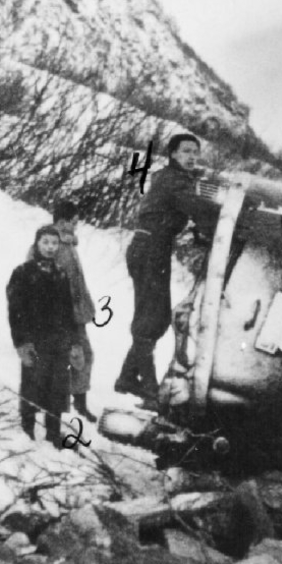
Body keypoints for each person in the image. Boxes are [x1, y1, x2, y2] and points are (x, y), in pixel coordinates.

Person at [115, 133, 206, 403]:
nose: (192, 157)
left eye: (196, 152)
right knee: (151, 317)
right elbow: (197, 206)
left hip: (155, 247)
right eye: (186, 151)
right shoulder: (175, 180)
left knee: (155, 316)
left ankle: (128, 377)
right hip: (150, 247)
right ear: (173, 154)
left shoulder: (173, 178)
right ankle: (148, 387)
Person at [7, 226, 84, 445]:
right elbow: (15, 312)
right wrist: (21, 343)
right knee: (32, 384)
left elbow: (69, 312)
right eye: (45, 242)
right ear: (36, 245)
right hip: (34, 341)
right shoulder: (22, 273)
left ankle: (53, 433)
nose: (50, 247)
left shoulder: (61, 273)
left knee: (58, 389)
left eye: (54, 243)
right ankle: (27, 429)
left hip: (59, 342)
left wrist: (75, 343)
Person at [26, 201, 97, 422]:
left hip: (74, 314)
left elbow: (77, 283)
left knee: (82, 355)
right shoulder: (52, 243)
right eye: (74, 222)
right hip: (57, 316)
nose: (76, 226)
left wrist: (86, 307)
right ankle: (48, 403)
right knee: (59, 358)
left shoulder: (69, 245)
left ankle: (79, 401)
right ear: (63, 221)